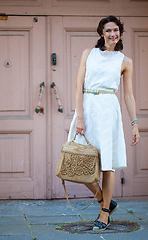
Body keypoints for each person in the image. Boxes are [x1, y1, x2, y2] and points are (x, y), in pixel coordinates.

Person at [67, 15, 140, 231]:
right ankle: (103, 199)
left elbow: (128, 95)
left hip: (109, 111)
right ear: (101, 33)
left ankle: (104, 212)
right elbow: (78, 85)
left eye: (116, 30)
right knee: (78, 162)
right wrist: (79, 116)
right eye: (108, 30)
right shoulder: (88, 54)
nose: (112, 34)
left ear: (120, 33)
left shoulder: (125, 61)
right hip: (88, 110)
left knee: (107, 165)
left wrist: (134, 124)